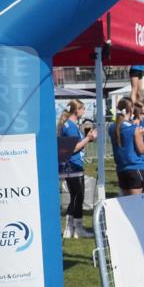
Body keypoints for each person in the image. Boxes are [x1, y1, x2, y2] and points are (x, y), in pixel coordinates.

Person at [57, 100, 97, 238]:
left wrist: (87, 139)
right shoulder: (71, 126)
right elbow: (73, 148)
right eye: (82, 109)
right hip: (73, 165)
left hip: (71, 164)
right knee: (78, 197)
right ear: (76, 110)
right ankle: (77, 229)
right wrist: (88, 138)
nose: (84, 111)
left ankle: (70, 228)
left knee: (75, 196)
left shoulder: (68, 125)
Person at [110, 97, 144, 196]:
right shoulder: (133, 128)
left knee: (126, 202)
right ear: (130, 109)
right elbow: (142, 150)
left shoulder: (112, 127)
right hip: (134, 168)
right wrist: (142, 134)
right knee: (136, 202)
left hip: (121, 169)